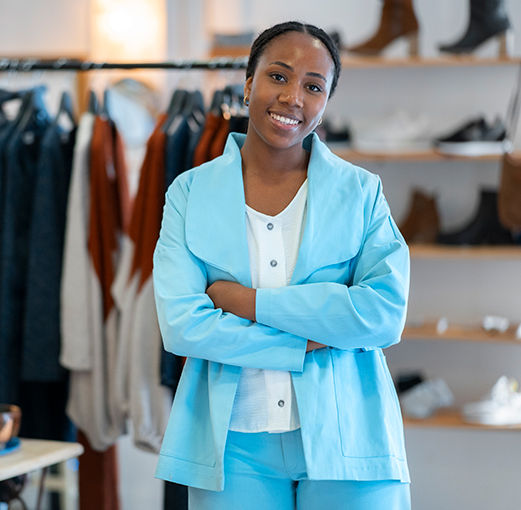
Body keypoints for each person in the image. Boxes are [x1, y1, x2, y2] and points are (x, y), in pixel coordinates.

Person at [152, 21, 411, 509]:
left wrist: (242, 301)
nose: (293, 97)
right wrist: (311, 337)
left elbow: (383, 313)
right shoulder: (189, 192)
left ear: (326, 102)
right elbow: (184, 326)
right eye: (278, 76)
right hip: (233, 448)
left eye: (313, 86)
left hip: (351, 441)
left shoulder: (360, 192)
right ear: (248, 84)